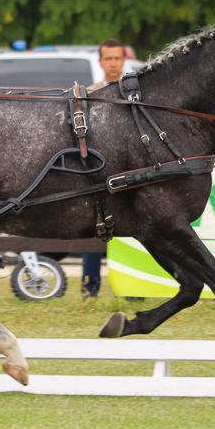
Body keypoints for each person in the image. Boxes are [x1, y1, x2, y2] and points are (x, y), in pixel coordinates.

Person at [77, 38, 129, 298]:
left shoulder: (131, 93)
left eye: (117, 58)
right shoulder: (90, 94)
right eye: (108, 58)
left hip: (128, 171)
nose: (112, 63)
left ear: (123, 60)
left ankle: (133, 290)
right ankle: (90, 288)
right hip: (97, 171)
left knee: (133, 231)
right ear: (100, 61)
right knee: (93, 230)